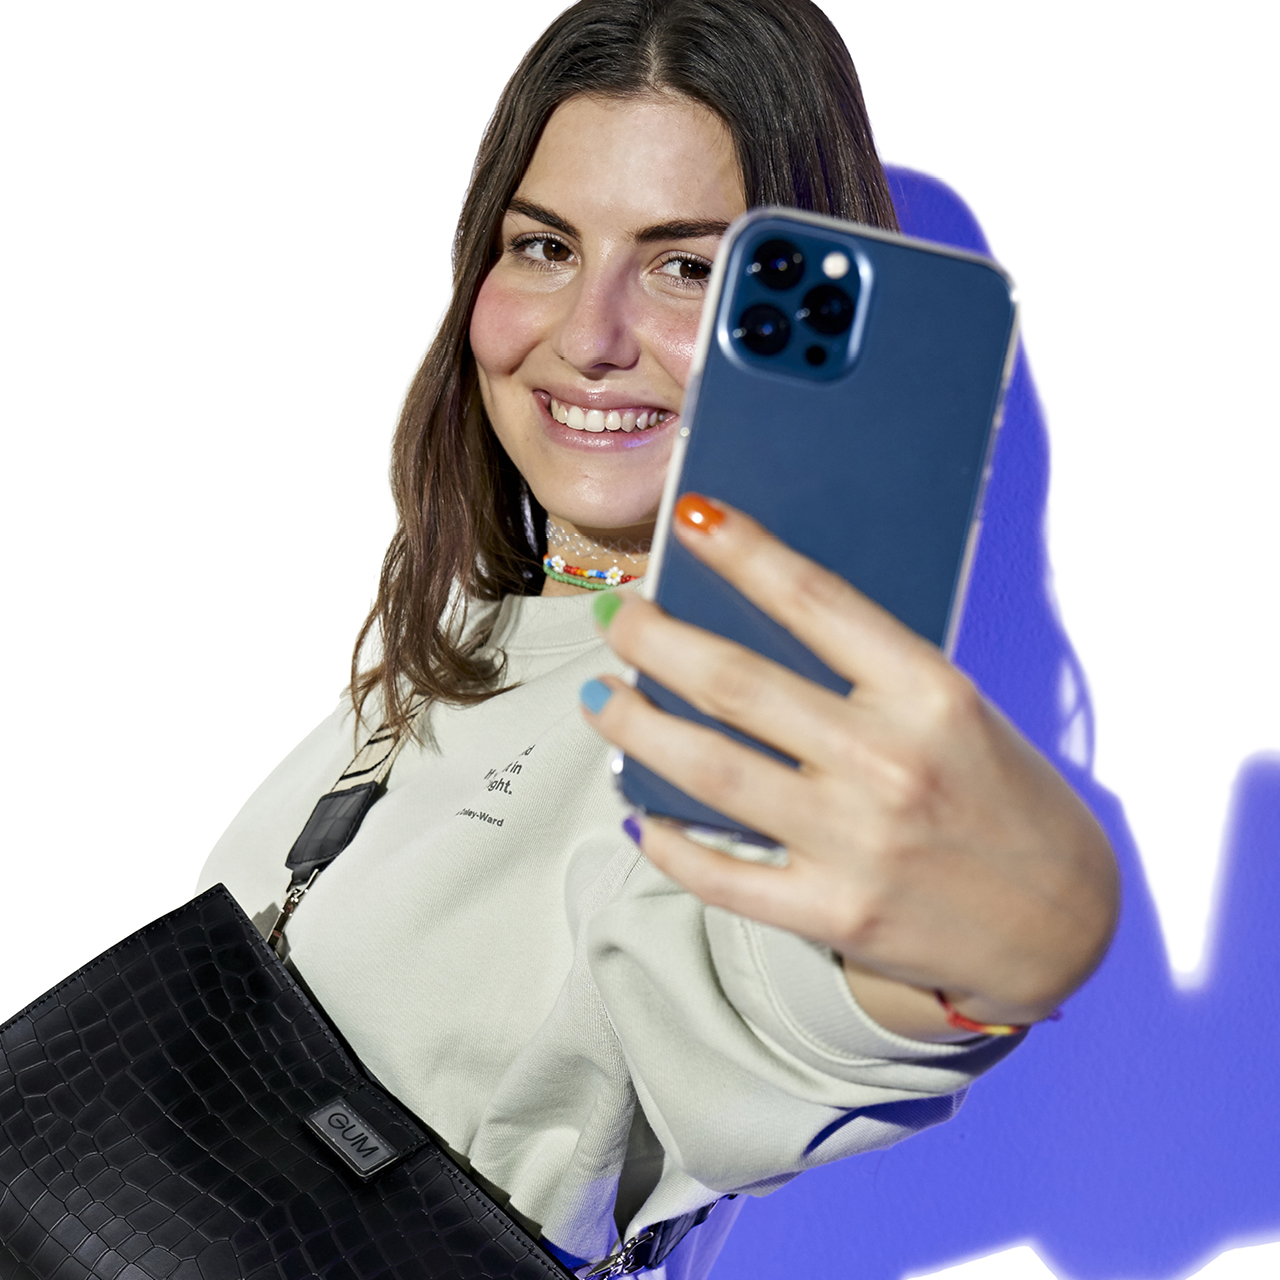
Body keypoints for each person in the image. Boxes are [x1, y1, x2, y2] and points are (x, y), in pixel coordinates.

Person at [198, 1, 1118, 1275]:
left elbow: (781, 1008)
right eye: (543, 245)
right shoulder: (468, 628)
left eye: (687, 267)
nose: (587, 337)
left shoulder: (748, 714)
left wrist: (1000, 947)